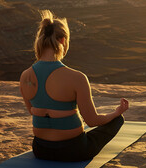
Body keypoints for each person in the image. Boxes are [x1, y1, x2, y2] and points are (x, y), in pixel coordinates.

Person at [19, 10, 129, 161]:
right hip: (74, 151)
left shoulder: (25, 76)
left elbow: (32, 111)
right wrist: (116, 112)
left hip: (41, 149)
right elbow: (92, 121)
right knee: (117, 120)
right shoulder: (77, 77)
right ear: (63, 40)